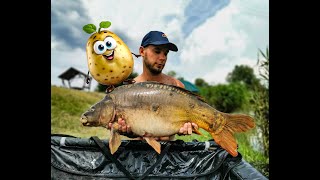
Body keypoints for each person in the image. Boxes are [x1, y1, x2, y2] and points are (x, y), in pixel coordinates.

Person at [108, 30, 198, 140]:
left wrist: (190, 126)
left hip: (168, 154)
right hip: (140, 154)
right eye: (157, 51)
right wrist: (125, 131)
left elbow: (193, 119)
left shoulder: (176, 86)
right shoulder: (129, 90)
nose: (163, 57)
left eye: (165, 53)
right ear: (142, 51)